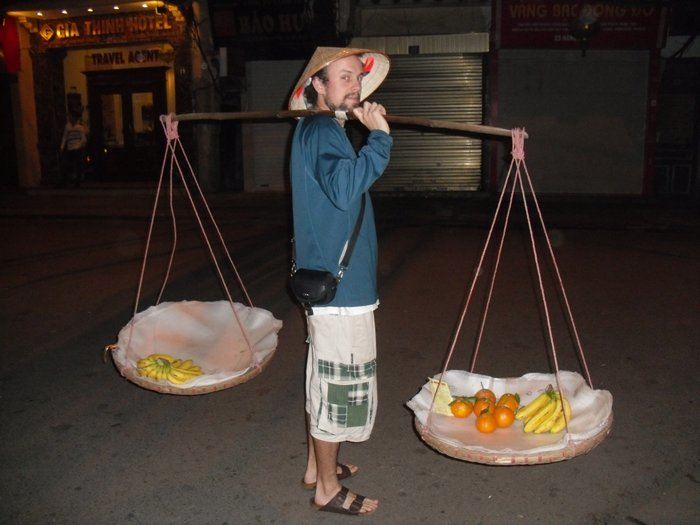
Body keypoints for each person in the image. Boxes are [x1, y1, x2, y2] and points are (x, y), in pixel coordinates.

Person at [288, 47, 392, 516]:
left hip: (331, 284)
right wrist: (380, 139)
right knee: (340, 393)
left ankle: (317, 466)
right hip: (341, 294)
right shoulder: (322, 130)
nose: (354, 86)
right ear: (319, 87)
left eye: (357, 79)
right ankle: (327, 488)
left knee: (323, 380)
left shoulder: (318, 130)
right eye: (343, 77)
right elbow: (347, 187)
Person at [59, 111, 88, 187]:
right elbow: (65, 137)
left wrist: (79, 146)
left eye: (71, 117)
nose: (70, 119)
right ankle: (67, 180)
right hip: (70, 148)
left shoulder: (80, 127)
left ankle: (77, 181)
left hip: (77, 148)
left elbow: (83, 139)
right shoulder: (68, 127)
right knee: (68, 165)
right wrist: (62, 146)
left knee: (77, 165)